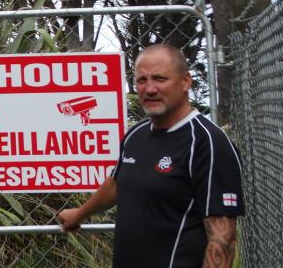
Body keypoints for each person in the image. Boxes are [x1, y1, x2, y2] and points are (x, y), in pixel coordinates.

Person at [57, 44, 245, 267]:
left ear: (186, 81)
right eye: (142, 80)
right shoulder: (136, 135)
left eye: (160, 79)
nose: (150, 89)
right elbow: (117, 184)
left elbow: (222, 238)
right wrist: (80, 213)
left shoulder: (208, 143)